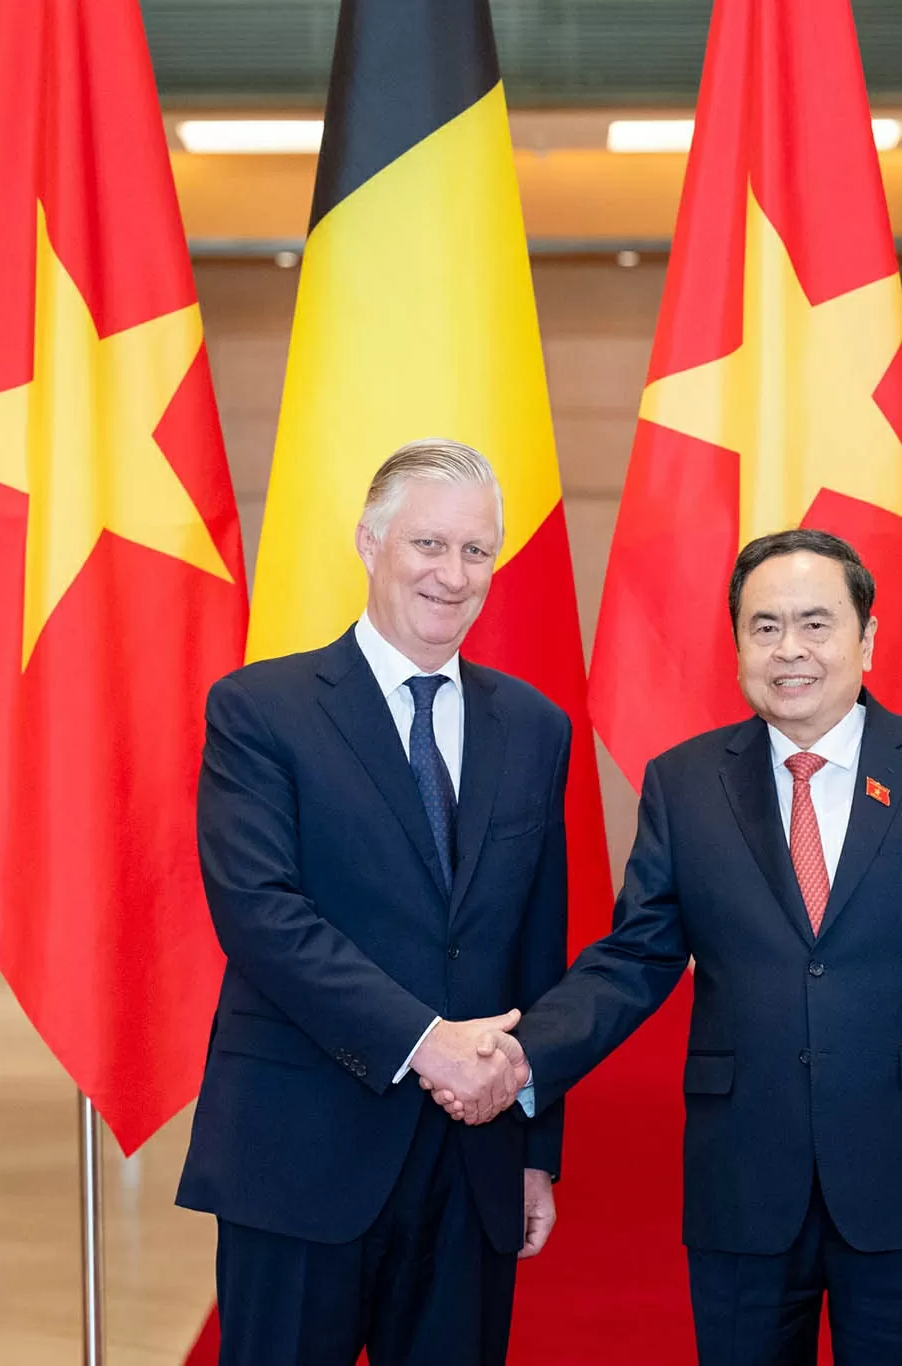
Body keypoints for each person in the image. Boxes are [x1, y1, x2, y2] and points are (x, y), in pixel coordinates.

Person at [433, 529, 902, 1365]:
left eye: (817, 625)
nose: (791, 650)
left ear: (866, 638)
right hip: (744, 1181)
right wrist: (522, 1055)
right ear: (739, 644)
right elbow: (634, 959)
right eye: (765, 626)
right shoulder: (685, 783)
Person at [178, 439, 570, 1366]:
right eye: (429, 544)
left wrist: (534, 1145)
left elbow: (536, 949)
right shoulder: (261, 710)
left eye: (477, 552)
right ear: (369, 542)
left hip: (473, 1160)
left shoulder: (535, 726)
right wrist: (426, 1041)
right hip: (301, 1148)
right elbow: (261, 914)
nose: (453, 573)